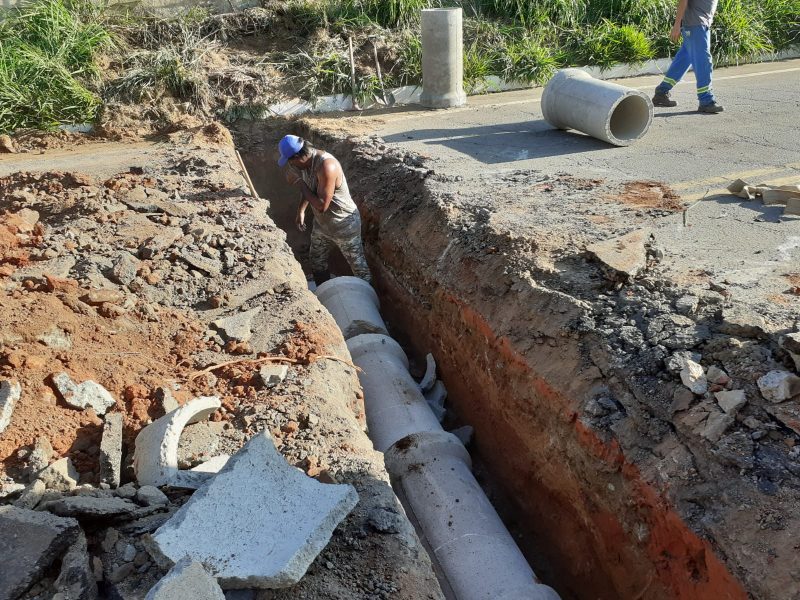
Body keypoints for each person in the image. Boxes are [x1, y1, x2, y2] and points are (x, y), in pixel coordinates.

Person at [277, 134, 371, 285]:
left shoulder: (327, 166)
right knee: (317, 261)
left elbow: (321, 205)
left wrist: (298, 182)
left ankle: (369, 301)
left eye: (290, 162)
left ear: (298, 157)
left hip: (344, 225)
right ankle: (323, 294)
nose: (291, 166)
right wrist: (301, 210)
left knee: (360, 271)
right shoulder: (305, 164)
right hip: (323, 225)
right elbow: (310, 189)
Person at [652, 0, 724, 114]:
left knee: (683, 61)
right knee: (703, 62)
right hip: (696, 24)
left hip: (700, 24)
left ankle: (661, 92)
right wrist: (677, 24)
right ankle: (706, 100)